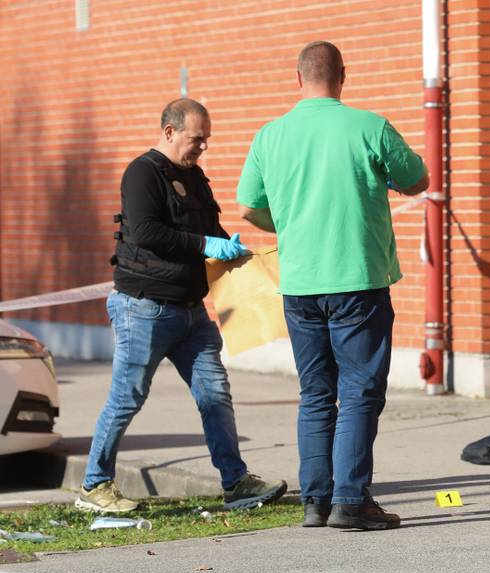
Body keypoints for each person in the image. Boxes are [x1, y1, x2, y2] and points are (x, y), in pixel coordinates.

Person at [237, 41, 429, 530]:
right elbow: (417, 180)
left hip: (300, 284)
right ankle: (351, 500)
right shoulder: (370, 126)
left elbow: (248, 207)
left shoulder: (269, 135)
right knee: (360, 391)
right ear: (343, 74)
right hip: (358, 280)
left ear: (297, 78)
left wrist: (292, 225)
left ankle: (315, 502)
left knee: (316, 394)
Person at [76, 98, 287, 513]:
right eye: (196, 139)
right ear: (170, 132)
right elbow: (146, 232)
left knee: (215, 394)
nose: (203, 147)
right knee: (127, 397)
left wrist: (229, 245)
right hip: (144, 308)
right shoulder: (142, 173)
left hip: (192, 311)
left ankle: (236, 483)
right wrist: (205, 244)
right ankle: (94, 487)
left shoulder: (195, 177)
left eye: (207, 139)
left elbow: (208, 229)